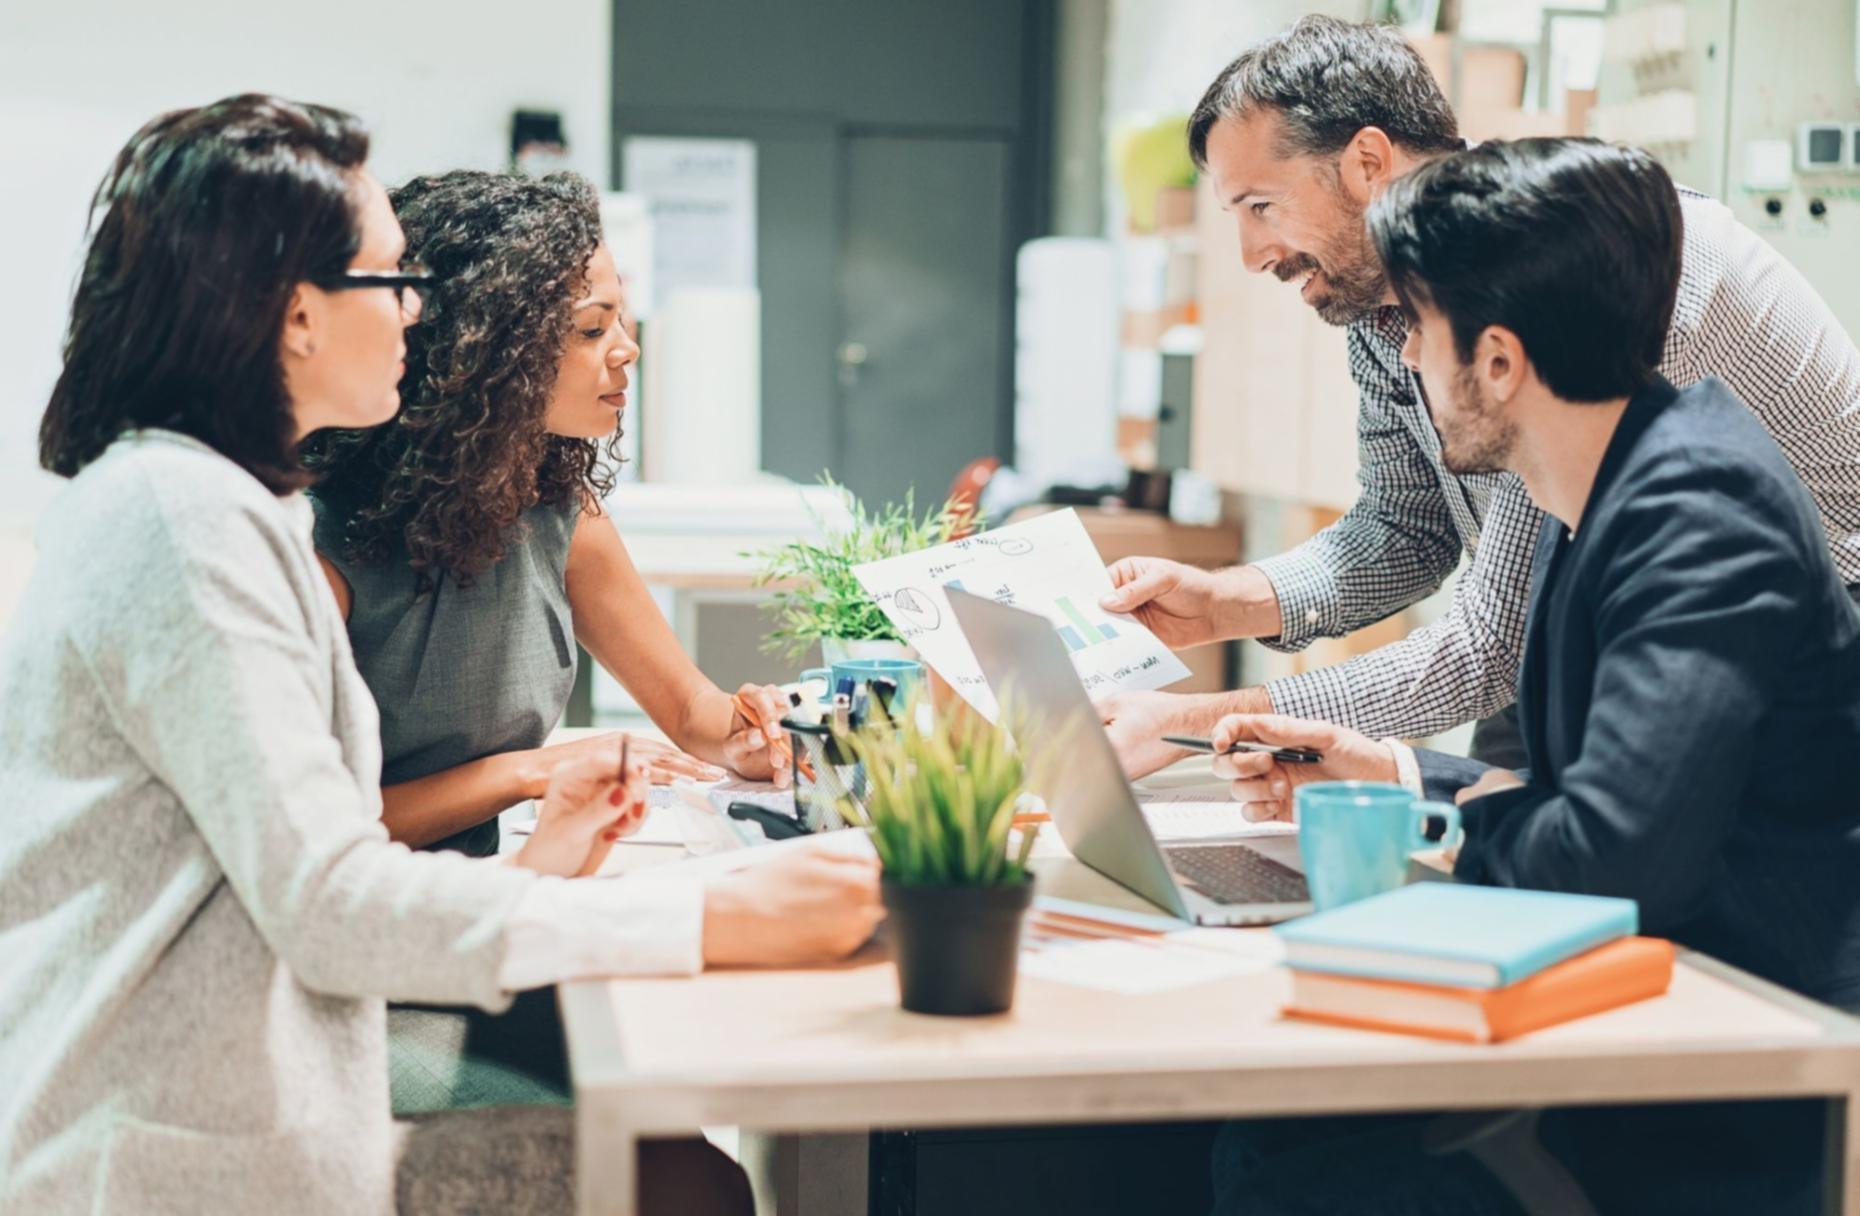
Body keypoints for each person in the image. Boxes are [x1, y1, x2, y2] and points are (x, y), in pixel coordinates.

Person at [0, 94, 882, 1216]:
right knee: (690, 1186)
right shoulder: (190, 524)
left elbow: (292, 874)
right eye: (391, 279)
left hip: (238, 1089)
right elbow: (330, 897)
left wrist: (537, 864)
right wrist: (720, 917)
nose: (421, 312)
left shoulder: (198, 503)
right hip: (184, 1154)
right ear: (299, 316)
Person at [1206, 138, 1860, 1215]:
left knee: (1300, 1160)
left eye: (1416, 329)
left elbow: (1612, 855)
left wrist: (1435, 828)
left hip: (1741, 1065)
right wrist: (1398, 777)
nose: (1406, 361)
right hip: (1656, 1007)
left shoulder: (1699, 513)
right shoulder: (1602, 481)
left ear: (1499, 361)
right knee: (1285, 1130)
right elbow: (1594, 802)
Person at [1096, 14, 1860, 779]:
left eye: (1262, 206)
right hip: (1578, 620)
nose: (1252, 254)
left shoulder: (1567, 270)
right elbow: (1406, 523)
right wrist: (1228, 601)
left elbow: (1491, 644)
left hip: (1785, 644)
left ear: (1366, 162)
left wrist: (1194, 724)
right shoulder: (1388, 296)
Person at [305, 169, 788, 865]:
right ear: (489, 352)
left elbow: (690, 710)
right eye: (592, 329)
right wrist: (528, 772)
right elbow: (309, 830)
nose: (628, 348)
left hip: (485, 897)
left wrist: (746, 732)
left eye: (622, 319)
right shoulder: (322, 540)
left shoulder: (557, 509)